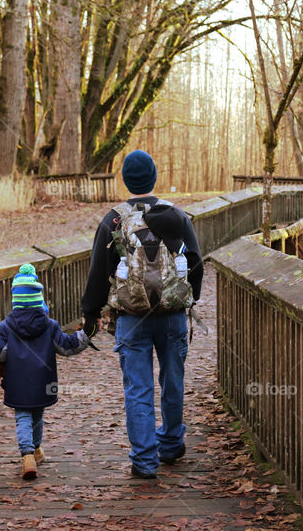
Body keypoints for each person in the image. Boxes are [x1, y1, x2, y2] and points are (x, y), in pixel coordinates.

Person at [81, 150, 203, 478]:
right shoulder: (177, 215)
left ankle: (145, 461)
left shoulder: (114, 220)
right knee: (172, 379)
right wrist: (188, 299)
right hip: (173, 314)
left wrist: (90, 313)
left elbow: (98, 272)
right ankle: (172, 445)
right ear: (154, 176)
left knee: (138, 387)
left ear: (125, 179)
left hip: (131, 318)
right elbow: (195, 262)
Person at [0, 264, 90, 480]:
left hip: (16, 381)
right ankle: (37, 449)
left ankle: (27, 455)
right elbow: (67, 347)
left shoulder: (6, 326)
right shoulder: (50, 325)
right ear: (38, 299)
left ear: (16, 300)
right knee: (37, 413)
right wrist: (87, 333)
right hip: (43, 381)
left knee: (22, 415)